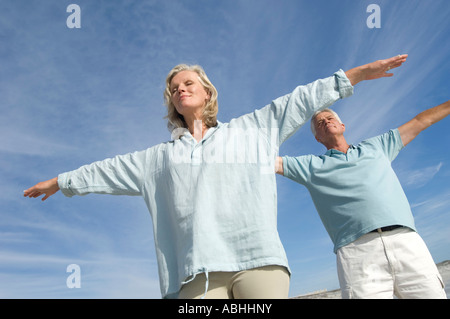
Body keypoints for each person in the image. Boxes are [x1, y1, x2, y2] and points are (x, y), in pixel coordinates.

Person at [24, 55, 407, 299]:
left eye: (188, 83)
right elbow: (107, 169)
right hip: (196, 275)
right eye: (174, 89)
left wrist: (354, 76)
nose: (180, 90)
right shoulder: (156, 158)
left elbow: (301, 99)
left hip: (259, 263)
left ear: (207, 92)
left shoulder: (252, 129)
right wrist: (62, 181)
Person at [277, 100, 449, 298]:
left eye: (329, 118)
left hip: (406, 241)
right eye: (319, 123)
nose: (325, 121)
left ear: (342, 126)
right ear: (317, 138)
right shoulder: (310, 166)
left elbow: (422, 120)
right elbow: (268, 163)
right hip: (356, 254)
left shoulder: (377, 146)